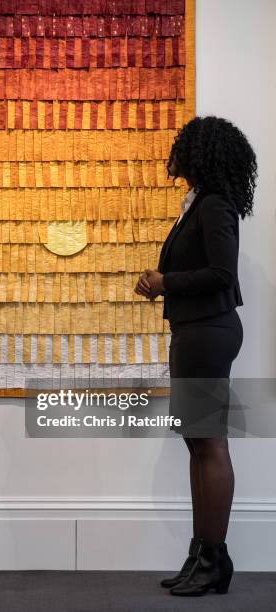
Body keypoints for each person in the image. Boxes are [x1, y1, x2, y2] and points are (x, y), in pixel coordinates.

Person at [134, 116, 257, 596]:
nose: (176, 155)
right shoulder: (200, 204)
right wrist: (162, 284)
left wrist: (167, 282)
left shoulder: (215, 204)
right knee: (197, 442)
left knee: (210, 443)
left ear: (201, 154)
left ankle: (214, 560)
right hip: (195, 331)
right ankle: (201, 554)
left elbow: (222, 274)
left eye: (183, 148)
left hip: (208, 333)